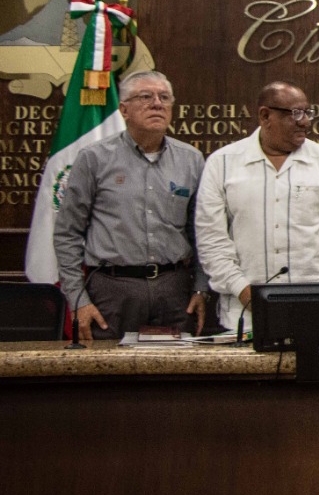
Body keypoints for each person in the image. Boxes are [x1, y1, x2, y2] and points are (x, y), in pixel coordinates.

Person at [195, 80, 319, 333]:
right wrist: (244, 292)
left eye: (308, 112)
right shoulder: (222, 164)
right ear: (265, 116)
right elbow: (211, 242)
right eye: (295, 113)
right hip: (244, 317)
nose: (305, 122)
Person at [54, 70, 209, 340]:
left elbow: (201, 233)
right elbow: (67, 233)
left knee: (178, 366)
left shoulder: (192, 160)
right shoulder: (94, 158)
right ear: (124, 109)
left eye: (164, 97)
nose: (157, 104)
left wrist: (200, 287)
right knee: (108, 365)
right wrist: (79, 299)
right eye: (146, 97)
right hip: (112, 291)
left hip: (175, 290)